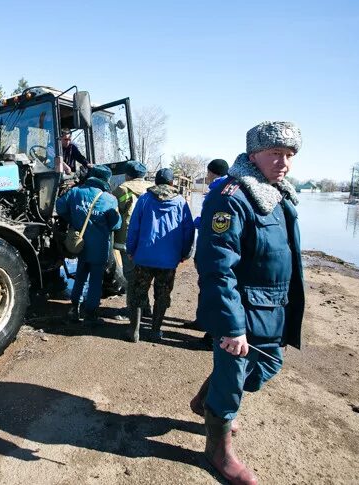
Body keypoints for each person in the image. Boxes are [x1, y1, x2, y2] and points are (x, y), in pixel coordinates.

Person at [191, 121, 305, 485]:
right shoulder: (232, 197)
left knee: (264, 370)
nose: (283, 162)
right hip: (243, 310)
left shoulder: (279, 194)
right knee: (233, 377)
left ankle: (206, 402)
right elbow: (217, 267)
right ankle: (218, 451)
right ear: (254, 154)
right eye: (275, 153)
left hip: (273, 306)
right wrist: (232, 327)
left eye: (289, 155)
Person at [125, 168, 194, 342]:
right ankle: (155, 331)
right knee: (162, 295)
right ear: (172, 183)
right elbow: (188, 230)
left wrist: (131, 250)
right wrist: (184, 253)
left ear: (155, 182)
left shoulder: (144, 199)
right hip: (169, 260)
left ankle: (134, 331)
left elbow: (133, 227)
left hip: (144, 257)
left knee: (138, 293)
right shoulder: (180, 202)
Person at [55, 165, 121, 325]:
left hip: (80, 243)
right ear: (106, 180)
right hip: (99, 247)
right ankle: (90, 314)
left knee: (80, 276)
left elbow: (60, 207)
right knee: (96, 280)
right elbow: (116, 224)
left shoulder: (76, 191)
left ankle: (74, 309)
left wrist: (73, 221)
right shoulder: (109, 199)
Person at [183, 158, 230, 332]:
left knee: (212, 287)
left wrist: (198, 223)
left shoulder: (218, 191)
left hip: (212, 247)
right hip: (216, 246)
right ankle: (202, 320)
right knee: (208, 286)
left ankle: (211, 332)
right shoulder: (225, 188)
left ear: (211, 172)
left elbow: (216, 221)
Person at [111, 160, 153, 322]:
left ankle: (132, 310)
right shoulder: (152, 188)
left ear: (127, 175)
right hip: (147, 238)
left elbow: (114, 212)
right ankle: (146, 307)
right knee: (144, 275)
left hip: (127, 239)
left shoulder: (123, 189)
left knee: (131, 276)